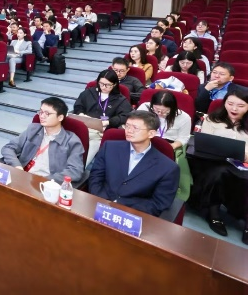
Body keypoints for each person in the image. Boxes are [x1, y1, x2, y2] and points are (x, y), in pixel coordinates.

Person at [88, 110, 179, 217]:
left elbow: (159, 203)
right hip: (100, 205)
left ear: (151, 133)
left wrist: (120, 205)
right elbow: (95, 178)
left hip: (134, 215)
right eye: (127, 126)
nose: (129, 131)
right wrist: (103, 200)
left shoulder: (168, 167)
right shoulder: (109, 147)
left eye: (135, 128)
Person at [189, 89, 248, 242]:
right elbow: (205, 144)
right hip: (214, 162)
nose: (234, 109)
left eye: (240, 106)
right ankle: (213, 214)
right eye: (230, 103)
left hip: (242, 166)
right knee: (219, 172)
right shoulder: (212, 119)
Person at [1, 97, 85, 183]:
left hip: (47, 184)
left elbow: (75, 171)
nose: (42, 116)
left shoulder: (72, 141)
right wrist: (17, 166)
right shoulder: (33, 129)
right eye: (41, 112)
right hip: (22, 177)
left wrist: (45, 180)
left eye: (47, 113)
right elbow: (8, 148)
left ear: (60, 117)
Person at [137, 90, 193, 201]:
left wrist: (170, 147)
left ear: (173, 108)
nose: (160, 114)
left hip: (169, 144)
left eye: (165, 111)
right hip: (146, 138)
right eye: (157, 110)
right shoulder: (144, 108)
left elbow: (183, 138)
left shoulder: (184, 117)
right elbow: (136, 125)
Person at [73, 70, 133, 165]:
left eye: (108, 85)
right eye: (101, 84)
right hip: (83, 126)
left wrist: (109, 122)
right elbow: (78, 106)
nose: (104, 87)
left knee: (92, 145)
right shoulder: (89, 92)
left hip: (100, 132)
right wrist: (80, 114)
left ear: (114, 84)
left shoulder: (120, 100)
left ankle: (80, 167)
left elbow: (125, 116)